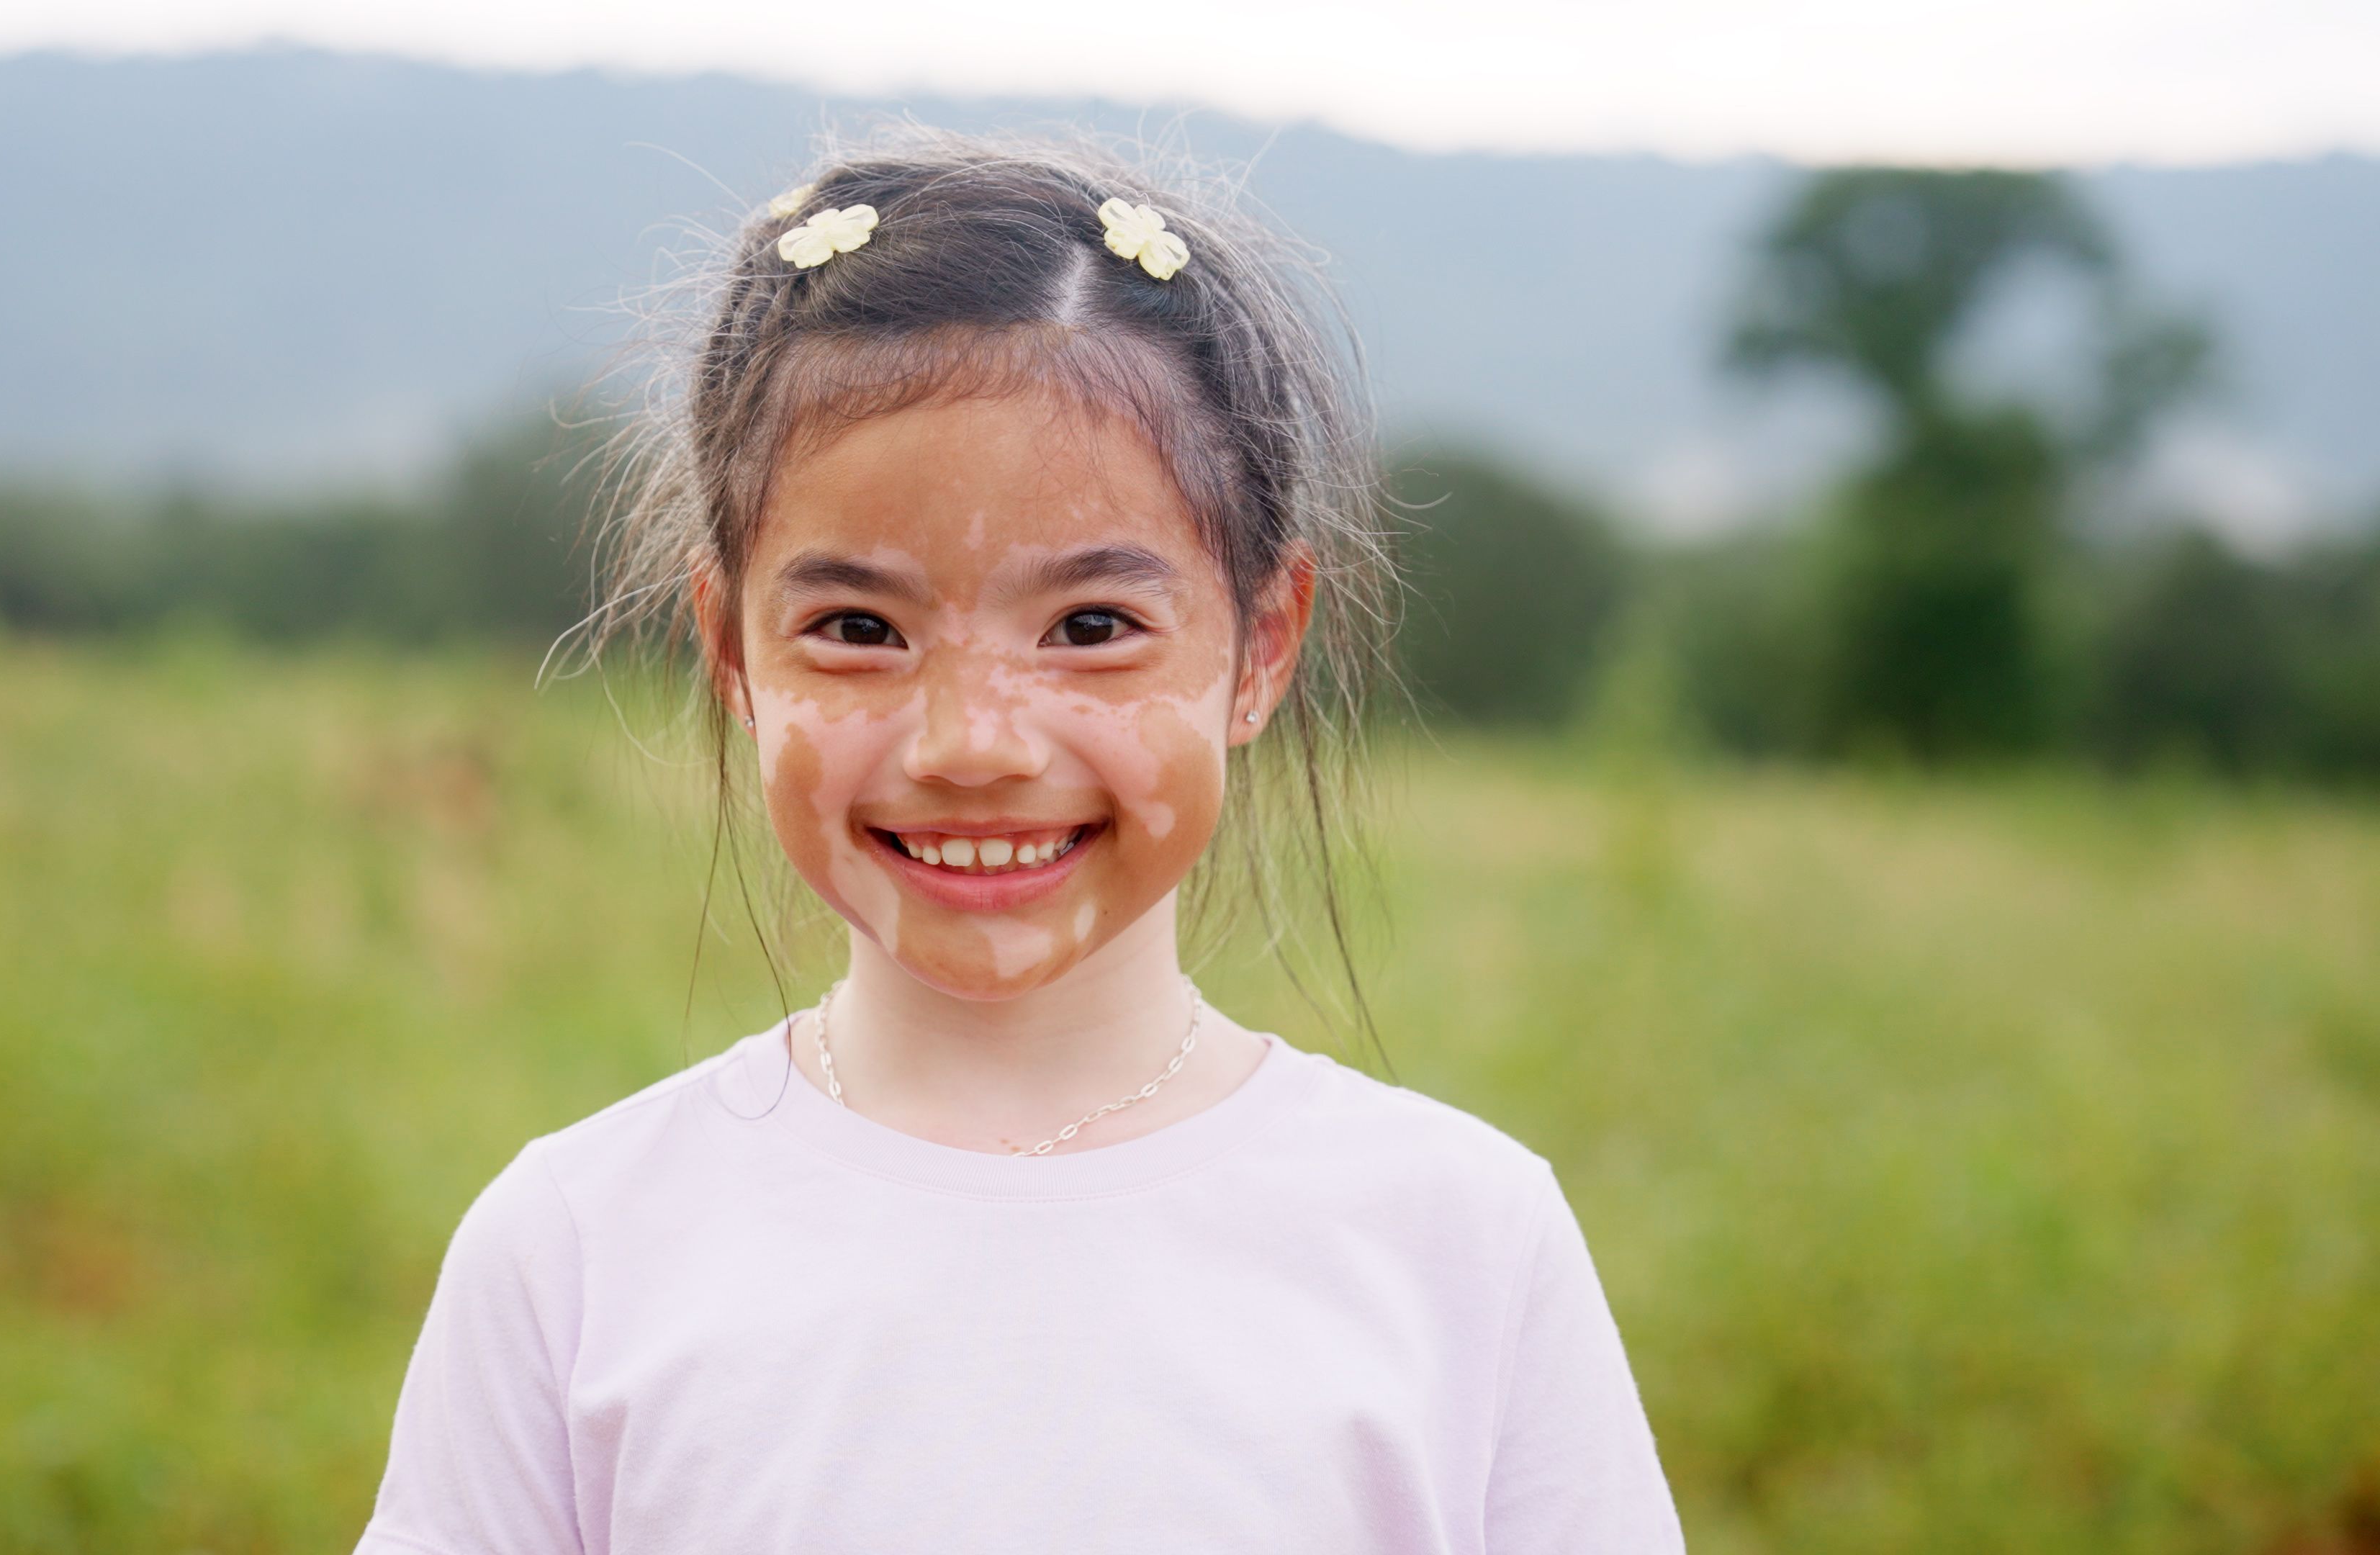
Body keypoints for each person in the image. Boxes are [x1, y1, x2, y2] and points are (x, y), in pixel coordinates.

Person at [355, 128, 1684, 1554]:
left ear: (1263, 646)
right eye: (857, 630)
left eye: (1094, 629)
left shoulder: (1461, 1244)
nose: (973, 743)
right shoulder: (577, 1250)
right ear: (730, 654)